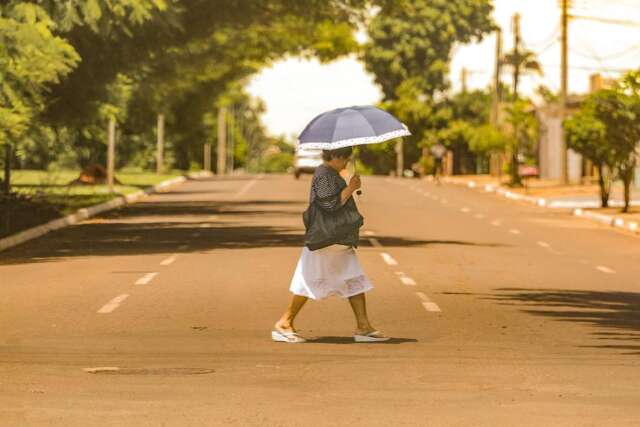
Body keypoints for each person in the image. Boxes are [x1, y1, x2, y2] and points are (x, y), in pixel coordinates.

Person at [272, 146, 389, 343]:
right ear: (334, 156)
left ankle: (363, 326)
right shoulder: (323, 175)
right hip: (325, 240)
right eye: (345, 159)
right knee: (308, 281)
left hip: (336, 240)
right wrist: (350, 188)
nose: (346, 163)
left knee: (353, 279)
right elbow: (328, 205)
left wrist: (350, 186)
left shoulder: (331, 173)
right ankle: (284, 322)